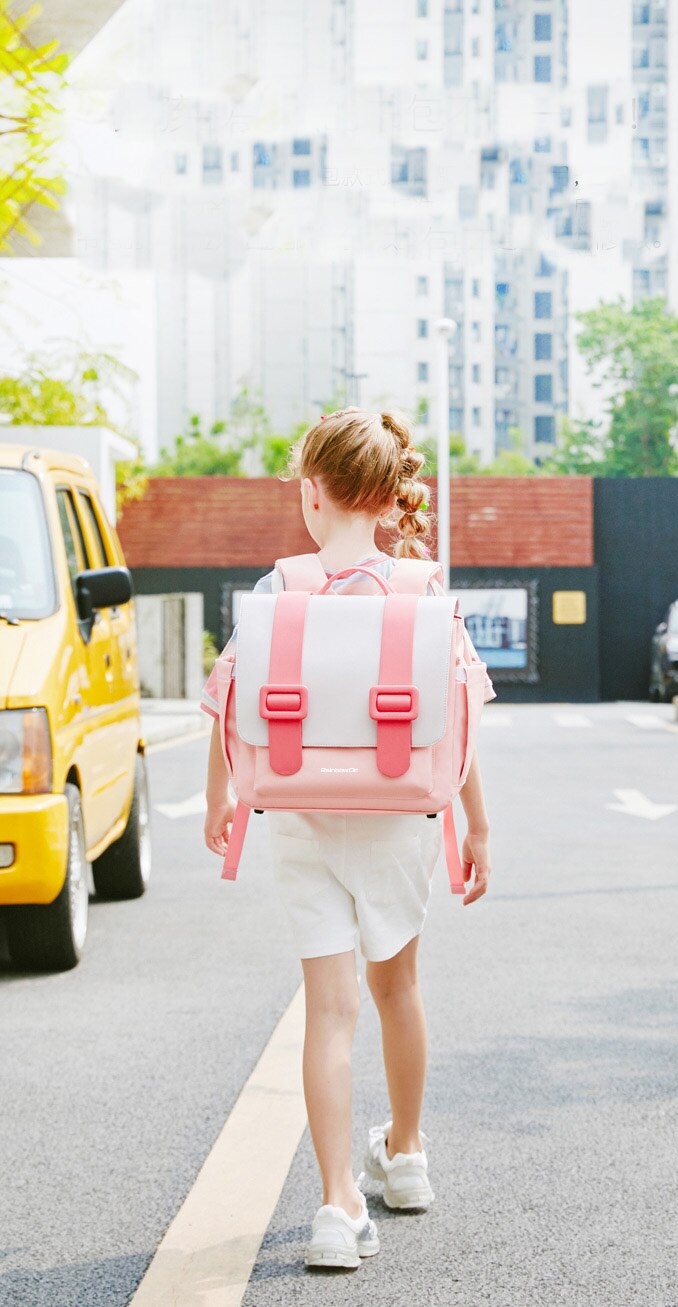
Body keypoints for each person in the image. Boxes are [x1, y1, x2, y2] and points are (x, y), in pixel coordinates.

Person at [200, 406, 494, 1270]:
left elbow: (226, 700)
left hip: (299, 818)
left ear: (313, 493)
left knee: (327, 1010)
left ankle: (336, 1204)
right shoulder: (419, 592)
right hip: (401, 817)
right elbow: (463, 715)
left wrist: (219, 799)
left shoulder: (275, 589)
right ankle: (405, 1157)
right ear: (389, 496)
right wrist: (479, 822)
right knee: (397, 989)